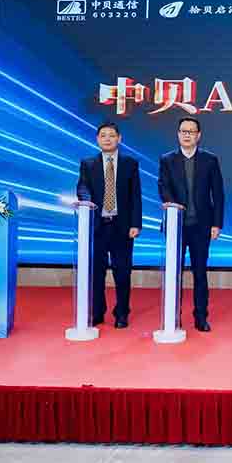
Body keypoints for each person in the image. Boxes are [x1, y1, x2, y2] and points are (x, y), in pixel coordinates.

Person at [158, 117, 225, 332]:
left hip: (201, 226)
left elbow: (218, 194)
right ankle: (173, 316)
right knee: (174, 273)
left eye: (191, 131)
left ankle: (201, 316)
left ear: (199, 135)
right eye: (183, 131)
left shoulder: (209, 160)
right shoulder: (167, 159)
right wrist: (172, 204)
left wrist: (217, 224)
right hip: (175, 226)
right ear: (178, 134)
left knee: (200, 273)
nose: (187, 135)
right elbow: (163, 187)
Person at [76, 122, 143, 329]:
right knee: (97, 272)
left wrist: (136, 224)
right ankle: (98, 312)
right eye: (103, 135)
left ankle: (122, 313)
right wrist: (86, 201)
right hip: (97, 226)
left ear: (119, 139)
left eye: (111, 135)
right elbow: (82, 187)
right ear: (97, 139)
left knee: (122, 273)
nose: (107, 139)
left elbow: (135, 195)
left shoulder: (130, 163)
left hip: (122, 227)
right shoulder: (88, 164)